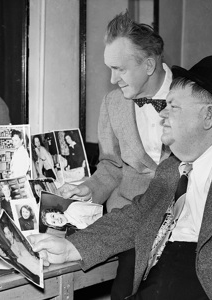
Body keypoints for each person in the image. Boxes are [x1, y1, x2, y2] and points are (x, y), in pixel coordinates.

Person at [29, 55, 212, 299]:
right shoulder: (173, 166)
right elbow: (137, 216)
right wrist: (71, 248)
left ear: (208, 116)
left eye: (173, 106)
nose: (163, 114)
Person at [57, 11, 172, 299]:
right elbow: (111, 165)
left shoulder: (194, 95)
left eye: (119, 69)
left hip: (180, 223)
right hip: (130, 222)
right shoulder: (112, 103)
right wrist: (89, 188)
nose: (112, 78)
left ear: (148, 64)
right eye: (109, 68)